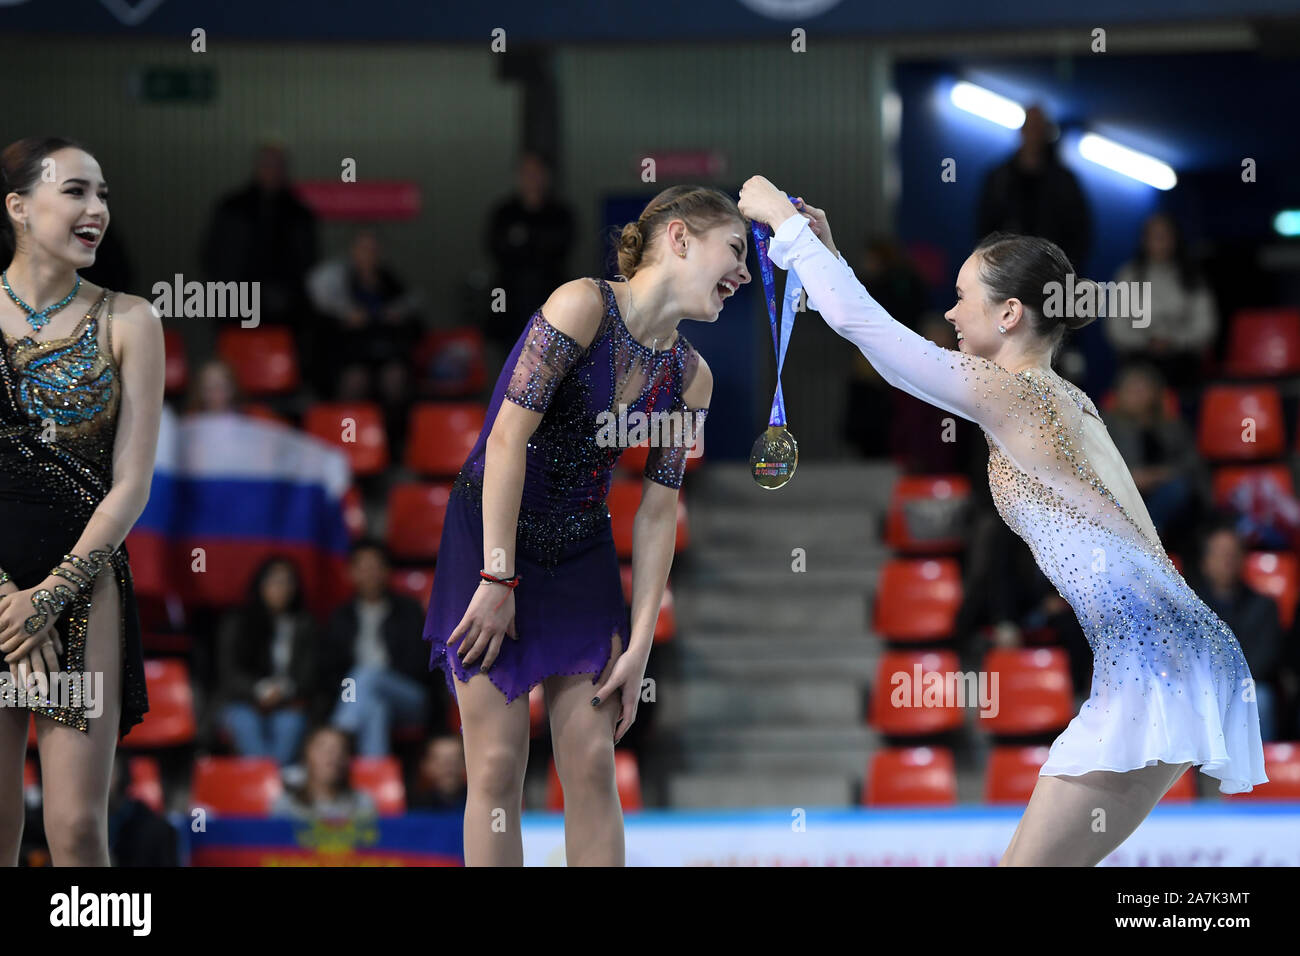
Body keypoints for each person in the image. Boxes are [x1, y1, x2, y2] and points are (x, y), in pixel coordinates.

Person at [739, 174, 1267, 866]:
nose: (951, 315)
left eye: (962, 298)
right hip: (1166, 652)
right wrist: (822, 254)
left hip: (1156, 659)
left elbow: (875, 338)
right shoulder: (1062, 397)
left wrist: (785, 221)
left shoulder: (1012, 395)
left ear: (1011, 312)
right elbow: (889, 348)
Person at [423, 184, 745, 866]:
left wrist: (642, 644)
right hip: (490, 533)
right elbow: (507, 440)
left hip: (581, 549)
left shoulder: (692, 379)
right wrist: (497, 572)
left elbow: (659, 509)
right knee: (498, 764)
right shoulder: (580, 306)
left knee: (594, 761)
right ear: (681, 238)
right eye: (736, 251)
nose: (744, 274)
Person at [0, 136, 166, 866]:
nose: (96, 208)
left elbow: (131, 484)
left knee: (74, 831)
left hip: (80, 585)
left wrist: (50, 595)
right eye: (75, 191)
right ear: (18, 207)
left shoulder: (131, 321)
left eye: (102, 194)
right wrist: (8, 598)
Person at [322, 539, 436, 756]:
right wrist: (357, 691)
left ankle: (339, 734)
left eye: (375, 567)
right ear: (351, 573)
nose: (370, 574)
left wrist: (379, 678)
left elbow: (419, 666)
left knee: (369, 675)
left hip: (409, 694)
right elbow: (333, 672)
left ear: (387, 571)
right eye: (362, 568)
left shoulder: (408, 610)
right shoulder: (341, 616)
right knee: (375, 707)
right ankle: (373, 775)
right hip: (356, 696)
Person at [215, 557, 319, 766]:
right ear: (260, 585)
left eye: (287, 582)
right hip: (244, 702)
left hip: (290, 703)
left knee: (290, 724)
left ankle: (270, 786)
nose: (281, 588)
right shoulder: (238, 622)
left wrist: (285, 690)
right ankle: (268, 784)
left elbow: (311, 673)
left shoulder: (306, 624)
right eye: (275, 581)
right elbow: (228, 673)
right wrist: (260, 690)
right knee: (244, 722)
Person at [1106, 213, 1218, 391]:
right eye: (1154, 236)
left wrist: (1174, 341)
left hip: (1182, 360)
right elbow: (1116, 329)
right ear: (1144, 240)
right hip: (1138, 360)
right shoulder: (1128, 276)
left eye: (1165, 236)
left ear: (1176, 239)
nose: (1160, 242)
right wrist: (1147, 342)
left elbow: (1206, 327)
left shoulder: (1192, 278)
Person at [976, 104, 1092, 272]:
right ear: (1022, 131)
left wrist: (1064, 272)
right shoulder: (999, 178)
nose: (1033, 134)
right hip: (1005, 270)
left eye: (1038, 128)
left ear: (1046, 133)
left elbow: (1080, 233)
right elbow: (985, 227)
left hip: (1049, 272)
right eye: (1030, 127)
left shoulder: (1065, 182)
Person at [269, 725, 376, 821]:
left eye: (340, 749)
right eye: (323, 748)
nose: (333, 755)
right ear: (306, 756)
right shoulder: (286, 803)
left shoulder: (361, 802)